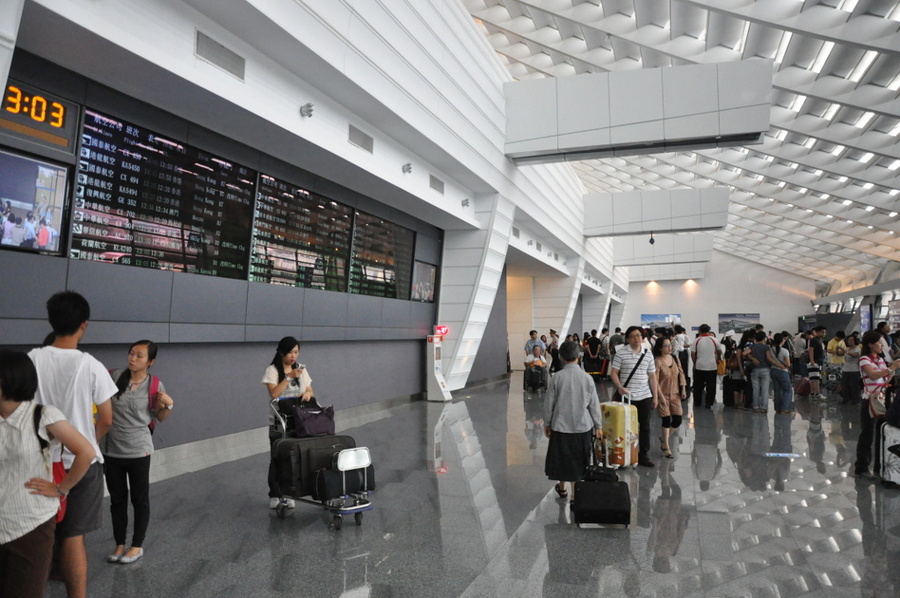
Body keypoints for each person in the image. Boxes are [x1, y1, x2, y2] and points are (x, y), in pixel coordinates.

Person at [28, 291, 118, 598]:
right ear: (84, 325)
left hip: (39, 462)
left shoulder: (31, 359)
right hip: (82, 466)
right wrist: (87, 442)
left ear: (51, 321)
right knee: (73, 536)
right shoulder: (91, 365)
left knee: (38, 535)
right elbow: (107, 419)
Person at [0, 351, 94, 598]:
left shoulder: (42, 415)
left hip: (30, 523)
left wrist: (61, 488)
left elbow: (85, 452)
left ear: (9, 379)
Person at [103, 340, 175, 564]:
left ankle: (136, 545)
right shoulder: (114, 377)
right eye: (131, 354)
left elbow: (159, 417)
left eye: (139, 356)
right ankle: (119, 544)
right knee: (117, 500)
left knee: (139, 499)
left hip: (138, 451)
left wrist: (169, 405)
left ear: (150, 362)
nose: (133, 358)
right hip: (111, 450)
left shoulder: (155, 385)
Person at [543, 341, 603, 501]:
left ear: (561, 357)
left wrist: (547, 423)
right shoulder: (587, 378)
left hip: (560, 426)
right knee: (578, 460)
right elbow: (594, 404)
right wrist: (598, 425)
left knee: (563, 458)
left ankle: (562, 488)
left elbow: (549, 404)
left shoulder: (556, 378)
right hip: (582, 427)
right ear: (579, 356)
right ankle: (575, 495)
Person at [262, 336, 313, 509]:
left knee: (295, 456)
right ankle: (275, 493)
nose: (293, 356)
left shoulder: (301, 369)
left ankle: (290, 492)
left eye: (296, 352)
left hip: (298, 419)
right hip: (278, 420)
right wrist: (289, 377)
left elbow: (309, 389)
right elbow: (274, 393)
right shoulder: (272, 370)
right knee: (277, 456)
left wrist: (308, 393)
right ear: (281, 352)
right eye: (290, 352)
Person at [853, 331, 900, 481]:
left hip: (882, 399)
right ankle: (861, 467)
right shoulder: (864, 359)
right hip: (870, 399)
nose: (881, 345)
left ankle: (879, 466)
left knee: (881, 432)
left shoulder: (880, 359)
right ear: (870, 344)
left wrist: (892, 370)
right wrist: (891, 367)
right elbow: (873, 375)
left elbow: (885, 379)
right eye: (879, 343)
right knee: (867, 433)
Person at [611, 326, 660, 467]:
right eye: (632, 336)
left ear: (642, 337)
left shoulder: (648, 354)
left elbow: (652, 376)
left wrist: (655, 397)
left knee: (645, 427)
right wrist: (619, 387)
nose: (636, 338)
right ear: (627, 339)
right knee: (625, 427)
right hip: (626, 396)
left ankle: (643, 455)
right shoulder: (621, 353)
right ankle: (625, 454)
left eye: (638, 335)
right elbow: (614, 373)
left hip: (645, 396)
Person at [653, 337, 686, 459]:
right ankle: (666, 446)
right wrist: (659, 396)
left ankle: (663, 438)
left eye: (669, 345)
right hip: (663, 394)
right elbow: (655, 381)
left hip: (675, 394)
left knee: (677, 420)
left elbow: (681, 374)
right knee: (666, 420)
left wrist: (683, 389)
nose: (669, 348)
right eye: (666, 346)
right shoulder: (657, 361)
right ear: (660, 348)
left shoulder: (675, 359)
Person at [691, 324, 721, 409]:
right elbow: (719, 351)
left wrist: (695, 363)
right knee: (711, 386)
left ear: (699, 331)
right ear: (708, 330)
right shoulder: (714, 339)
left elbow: (693, 353)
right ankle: (709, 403)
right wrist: (717, 358)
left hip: (699, 366)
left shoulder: (696, 340)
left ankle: (697, 402)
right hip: (712, 366)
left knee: (698, 386)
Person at [747, 331, 775, 414]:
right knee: (764, 389)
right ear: (764, 338)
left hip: (755, 370)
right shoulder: (766, 347)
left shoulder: (753, 346)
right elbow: (769, 358)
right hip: (765, 369)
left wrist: (753, 359)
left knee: (755, 389)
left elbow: (745, 353)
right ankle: (764, 407)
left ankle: (755, 406)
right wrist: (778, 364)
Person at [769, 333, 793, 414]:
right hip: (782, 372)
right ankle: (785, 408)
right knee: (787, 390)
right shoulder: (785, 351)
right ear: (782, 340)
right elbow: (788, 364)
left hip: (773, 371)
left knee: (777, 390)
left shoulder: (771, 350)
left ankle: (778, 408)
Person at [840, 333, 861, 405]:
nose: (849, 341)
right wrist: (838, 350)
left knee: (854, 386)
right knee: (844, 385)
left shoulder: (858, 349)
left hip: (854, 369)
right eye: (848, 340)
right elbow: (840, 354)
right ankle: (845, 399)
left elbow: (854, 355)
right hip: (845, 369)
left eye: (851, 340)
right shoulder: (847, 348)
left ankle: (855, 400)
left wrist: (845, 351)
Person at [807, 326, 827, 400]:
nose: (824, 334)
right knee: (815, 378)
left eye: (824, 332)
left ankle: (813, 393)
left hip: (819, 361)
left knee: (815, 378)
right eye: (822, 332)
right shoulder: (814, 340)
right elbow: (811, 350)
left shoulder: (820, 340)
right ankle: (817, 393)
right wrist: (812, 360)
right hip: (815, 361)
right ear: (817, 332)